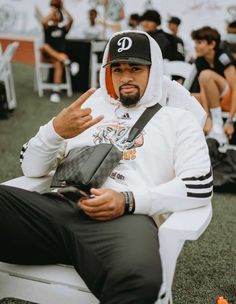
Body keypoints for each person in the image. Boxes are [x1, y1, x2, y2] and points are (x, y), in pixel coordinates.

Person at [0, 30, 212, 304]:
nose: (125, 77)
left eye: (136, 68)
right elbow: (30, 168)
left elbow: (199, 184)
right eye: (118, 69)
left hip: (124, 220)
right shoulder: (88, 107)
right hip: (56, 208)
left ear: (154, 70)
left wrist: (128, 201)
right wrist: (54, 131)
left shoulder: (178, 120)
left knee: (139, 281)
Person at [191, 26, 236, 145]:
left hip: (230, 99)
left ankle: (218, 124)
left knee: (206, 75)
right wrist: (206, 116)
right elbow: (203, 90)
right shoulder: (200, 61)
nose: (196, 46)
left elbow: (235, 88)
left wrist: (230, 120)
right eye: (195, 42)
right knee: (190, 98)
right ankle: (202, 130)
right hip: (215, 100)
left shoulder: (223, 57)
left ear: (212, 44)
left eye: (199, 42)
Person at [40, 0, 75, 103]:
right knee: (45, 46)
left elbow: (71, 19)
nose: (55, 14)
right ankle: (69, 62)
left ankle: (55, 92)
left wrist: (62, 9)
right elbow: (43, 21)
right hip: (47, 55)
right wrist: (54, 10)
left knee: (58, 63)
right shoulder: (48, 27)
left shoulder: (63, 29)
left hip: (58, 57)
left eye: (57, 14)